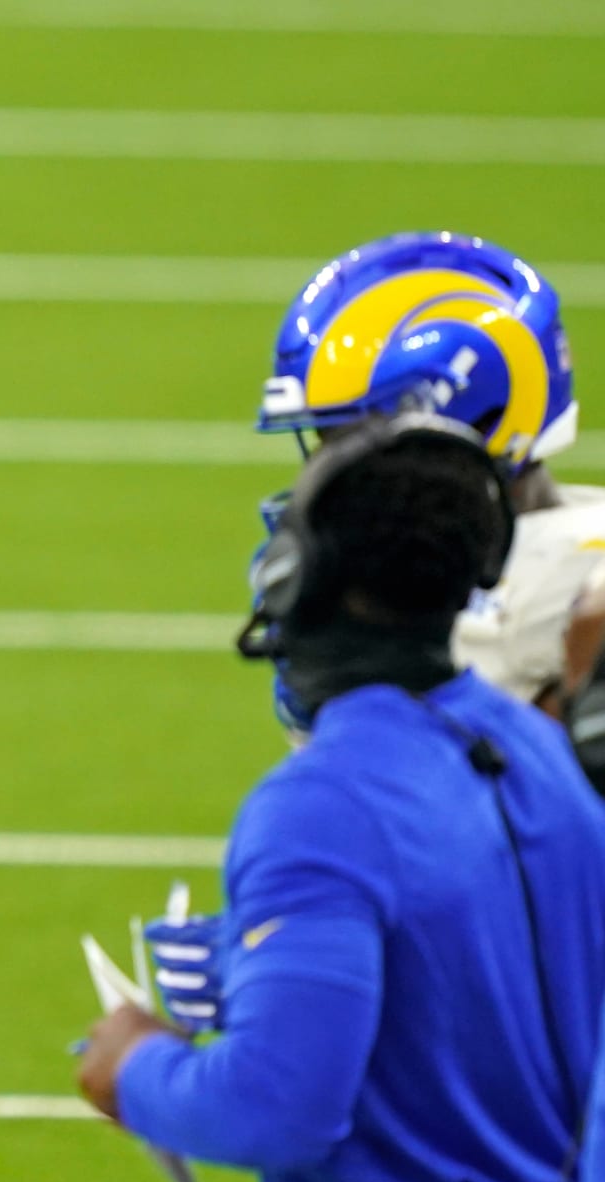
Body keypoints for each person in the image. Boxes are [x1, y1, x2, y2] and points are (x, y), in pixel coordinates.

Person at [77, 413, 605, 1182]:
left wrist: (131, 1065)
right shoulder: (543, 754)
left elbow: (274, 1110)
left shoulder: (320, 808)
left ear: (301, 576)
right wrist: (254, 965)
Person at [144, 229, 605, 1036]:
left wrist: (291, 952)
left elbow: (531, 889)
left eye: (344, 440)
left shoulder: (570, 600)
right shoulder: (545, 562)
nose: (320, 475)